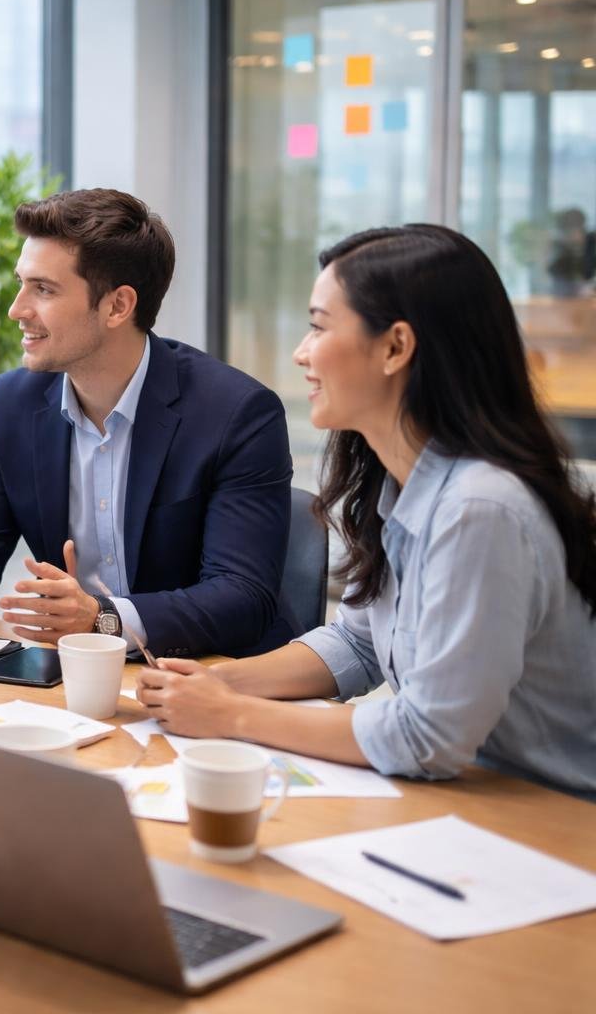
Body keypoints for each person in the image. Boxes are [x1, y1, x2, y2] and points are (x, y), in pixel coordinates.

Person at [140, 224, 596, 799]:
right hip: (467, 799)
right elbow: (357, 644)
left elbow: (428, 736)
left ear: (395, 347)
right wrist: (215, 680)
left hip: (553, 824)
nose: (301, 353)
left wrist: (231, 714)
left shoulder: (480, 508)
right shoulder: (397, 482)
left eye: (318, 326)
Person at [0, 188, 297, 658]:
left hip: (211, 678)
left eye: (43, 289)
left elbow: (241, 597)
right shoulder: (13, 402)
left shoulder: (237, 413)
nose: (16, 309)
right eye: (21, 283)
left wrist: (101, 617)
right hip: (75, 673)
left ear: (117, 307)